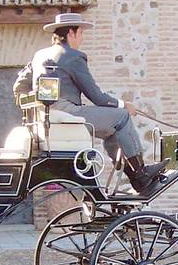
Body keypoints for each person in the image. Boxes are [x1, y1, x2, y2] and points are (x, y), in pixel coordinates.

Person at [13, 12, 167, 193]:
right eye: (81, 33)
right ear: (71, 33)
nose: (82, 38)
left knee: (111, 130)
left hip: (45, 118)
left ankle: (134, 177)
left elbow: (18, 87)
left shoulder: (40, 55)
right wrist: (124, 105)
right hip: (67, 113)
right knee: (122, 118)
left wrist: (38, 104)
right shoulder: (73, 56)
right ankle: (141, 174)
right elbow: (96, 96)